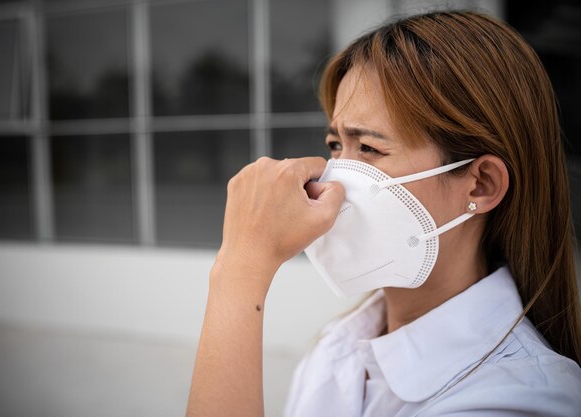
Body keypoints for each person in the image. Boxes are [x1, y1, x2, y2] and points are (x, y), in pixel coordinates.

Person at [186, 10, 581, 417]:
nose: (334, 179)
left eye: (369, 149)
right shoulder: (337, 346)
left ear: (480, 184)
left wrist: (241, 268)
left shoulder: (519, 399)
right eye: (336, 145)